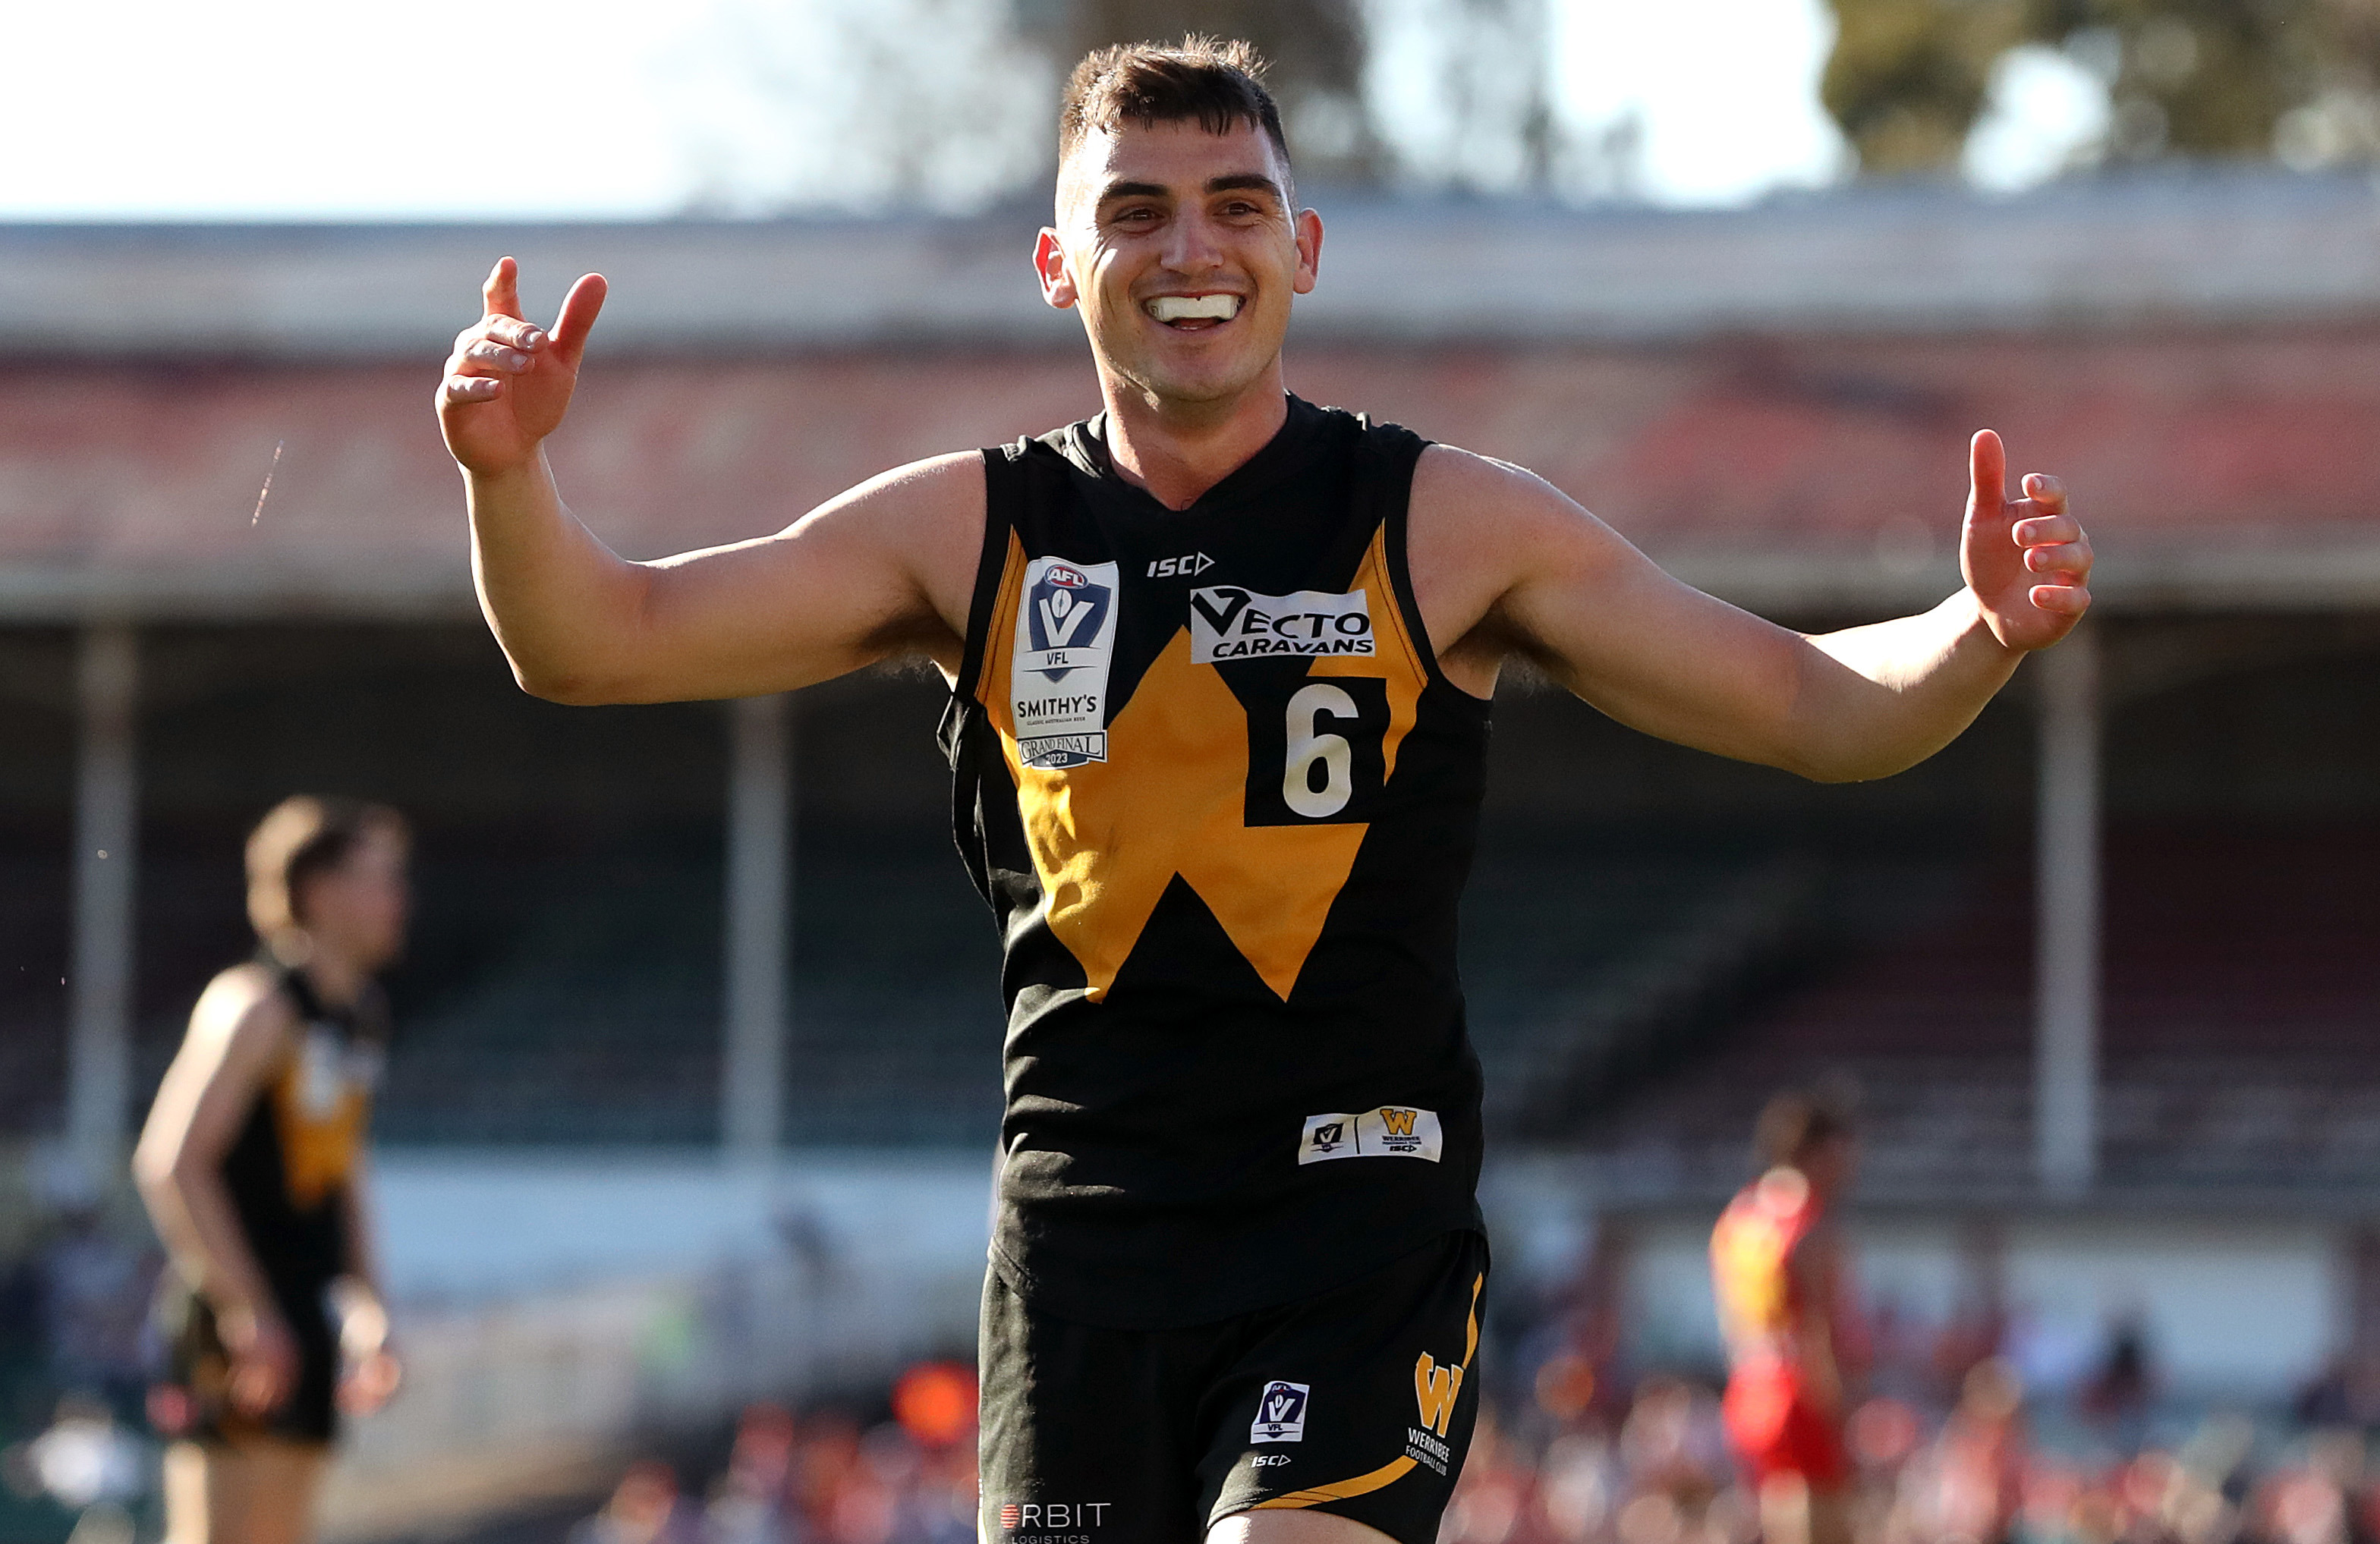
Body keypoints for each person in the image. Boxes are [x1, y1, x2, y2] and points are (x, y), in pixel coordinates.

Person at [434, 38, 2092, 1544]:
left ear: (1299, 251)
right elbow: (600, 641)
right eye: (1135, 211)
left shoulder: (1447, 525)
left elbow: (1804, 704)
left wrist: (1969, 631)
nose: (1189, 251)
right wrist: (508, 480)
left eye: (1236, 206)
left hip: (1353, 1231)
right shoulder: (966, 531)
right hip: (1078, 1256)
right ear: (1054, 264)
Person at [133, 797, 408, 1544]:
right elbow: (171, 1160)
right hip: (239, 1321)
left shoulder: (360, 1013)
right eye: (380, 880)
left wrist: (369, 1307)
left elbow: (341, 1166)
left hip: (304, 1312)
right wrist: (248, 1311)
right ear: (319, 892)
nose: (398, 901)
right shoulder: (254, 1005)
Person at [1709, 1093, 1868, 1544]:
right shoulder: (1812, 1225)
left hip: (1750, 1383)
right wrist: (1840, 1404)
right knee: (1821, 1518)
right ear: (1815, 1152)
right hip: (1801, 1389)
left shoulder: (1739, 1217)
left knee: (1776, 1508)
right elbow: (1820, 1326)